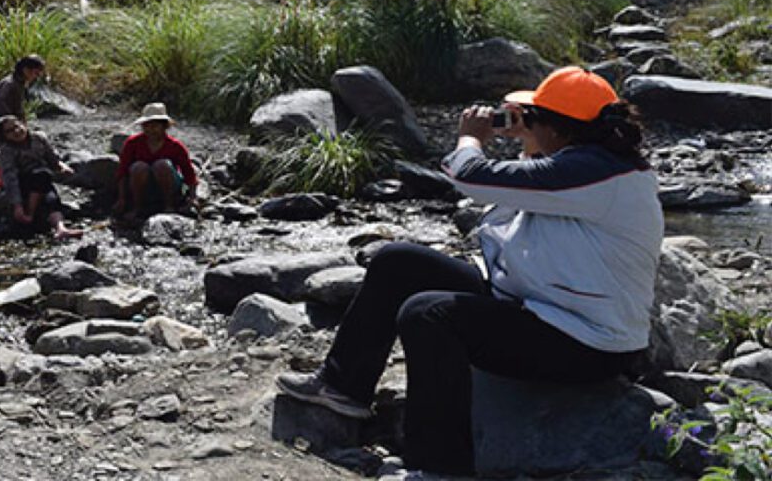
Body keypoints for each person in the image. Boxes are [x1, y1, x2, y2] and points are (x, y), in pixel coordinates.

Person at [275, 66, 664, 475]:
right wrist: (532, 140)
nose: (524, 123)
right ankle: (342, 388)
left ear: (558, 128)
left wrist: (471, 139)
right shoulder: (583, 165)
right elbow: (522, 192)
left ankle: (439, 467)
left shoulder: (593, 173)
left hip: (587, 344)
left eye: (532, 117)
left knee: (429, 315)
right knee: (398, 262)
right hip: (540, 305)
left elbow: (471, 176)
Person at [0, 115, 84, 240]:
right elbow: (10, 178)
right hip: (23, 182)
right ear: (4, 136)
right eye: (9, 131)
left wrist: (62, 167)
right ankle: (30, 213)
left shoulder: (38, 138)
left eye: (17, 126)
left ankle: (61, 229)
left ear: (23, 124)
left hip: (43, 180)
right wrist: (17, 205)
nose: (16, 131)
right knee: (42, 175)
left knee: (51, 198)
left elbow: (52, 159)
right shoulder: (6, 151)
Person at [112, 102, 199, 221]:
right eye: (146, 126)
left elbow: (189, 174)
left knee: (162, 165)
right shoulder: (133, 143)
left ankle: (169, 206)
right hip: (143, 187)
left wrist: (193, 198)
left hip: (169, 186)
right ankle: (138, 207)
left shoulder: (175, 146)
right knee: (139, 167)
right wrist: (121, 198)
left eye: (154, 126)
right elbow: (122, 172)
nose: (150, 130)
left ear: (164, 126)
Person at [0, 55, 46, 137]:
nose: (37, 77)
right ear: (26, 70)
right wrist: (13, 121)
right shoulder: (10, 83)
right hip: (2, 126)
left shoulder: (20, 83)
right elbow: (0, 102)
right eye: (36, 73)